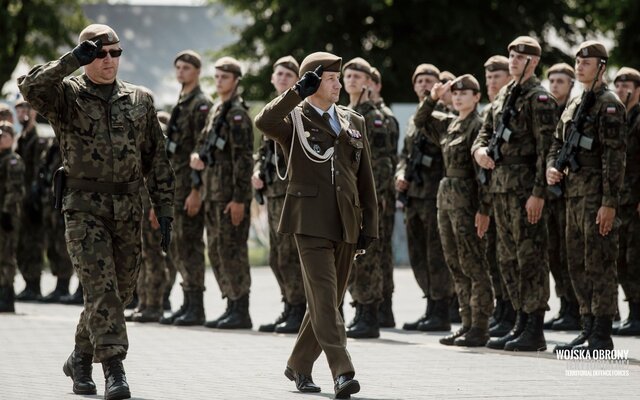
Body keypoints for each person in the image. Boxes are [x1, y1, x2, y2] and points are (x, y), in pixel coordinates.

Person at [18, 24, 175, 399]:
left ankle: (79, 359)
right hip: (84, 208)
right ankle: (114, 370)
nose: (109, 60)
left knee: (118, 292)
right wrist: (73, 60)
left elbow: (156, 158)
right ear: (87, 55)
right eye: (100, 53)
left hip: (128, 208)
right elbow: (30, 87)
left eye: (115, 53)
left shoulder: (140, 99)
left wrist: (165, 208)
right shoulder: (66, 96)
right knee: (100, 289)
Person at [255, 51, 377, 399]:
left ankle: (298, 364)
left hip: (347, 220)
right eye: (331, 79)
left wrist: (370, 224)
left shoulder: (355, 121)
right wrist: (296, 91)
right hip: (309, 220)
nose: (339, 84)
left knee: (328, 301)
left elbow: (364, 178)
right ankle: (343, 371)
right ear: (313, 81)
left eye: (340, 78)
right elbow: (263, 122)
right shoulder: (294, 119)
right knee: (325, 300)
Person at [472, 36, 556, 352]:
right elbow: (484, 132)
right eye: (510, 56)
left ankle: (534, 327)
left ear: (533, 62)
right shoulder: (504, 95)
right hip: (500, 190)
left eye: (519, 58)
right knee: (508, 259)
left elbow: (546, 149)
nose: (513, 61)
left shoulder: (540, 98)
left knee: (530, 258)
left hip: (525, 192)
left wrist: (539, 193)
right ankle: (519, 321)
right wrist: (479, 150)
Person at [548, 41, 625, 353]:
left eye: (587, 62)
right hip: (573, 195)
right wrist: (552, 168)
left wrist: (609, 203)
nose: (579, 66)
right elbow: (557, 141)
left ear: (601, 67)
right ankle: (586, 327)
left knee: (600, 264)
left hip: (596, 196)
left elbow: (614, 157)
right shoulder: (575, 103)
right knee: (577, 263)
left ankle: (601, 335)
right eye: (577, 61)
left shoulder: (609, 104)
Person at [414, 74, 494, 346]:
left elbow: (484, 175)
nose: (459, 97)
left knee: (473, 263)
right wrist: (433, 96)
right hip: (446, 199)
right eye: (456, 93)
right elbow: (420, 121)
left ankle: (480, 326)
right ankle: (466, 322)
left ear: (476, 97)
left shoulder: (479, 126)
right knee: (455, 264)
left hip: (468, 202)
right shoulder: (450, 124)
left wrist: (484, 209)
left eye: (466, 93)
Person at [190, 56, 254, 330]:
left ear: (236, 80)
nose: (219, 82)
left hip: (230, 195)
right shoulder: (217, 109)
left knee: (232, 251)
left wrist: (239, 198)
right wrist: (196, 157)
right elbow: (203, 144)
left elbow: (243, 160)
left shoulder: (238, 114)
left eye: (224, 77)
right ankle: (230, 302)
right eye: (216, 77)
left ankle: (241, 308)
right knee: (216, 251)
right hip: (213, 192)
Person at [396, 63, 455, 332]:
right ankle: (430, 304)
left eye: (429, 80)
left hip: (434, 194)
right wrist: (400, 174)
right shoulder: (412, 121)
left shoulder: (444, 115)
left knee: (436, 254)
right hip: (414, 194)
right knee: (417, 253)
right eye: (419, 80)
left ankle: (441, 309)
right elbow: (404, 155)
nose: (424, 84)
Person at [342, 57, 395, 339]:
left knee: (368, 258)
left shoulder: (371, 118)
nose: (351, 79)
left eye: (357, 76)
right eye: (347, 75)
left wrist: (374, 199)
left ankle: (369, 313)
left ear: (367, 82)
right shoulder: (345, 113)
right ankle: (360, 308)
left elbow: (383, 163)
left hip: (366, 198)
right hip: (349, 197)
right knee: (353, 257)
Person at [253, 55, 307, 334]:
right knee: (276, 256)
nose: (283, 78)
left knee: (289, 254)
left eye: (289, 75)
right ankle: (289, 304)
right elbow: (263, 154)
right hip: (274, 192)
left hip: (290, 192)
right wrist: (257, 172)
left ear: (297, 81)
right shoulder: (271, 110)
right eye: (279, 74)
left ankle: (299, 308)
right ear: (273, 79)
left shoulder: (298, 110)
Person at [159, 50, 212, 326]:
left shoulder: (202, 104)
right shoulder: (181, 102)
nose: (181, 72)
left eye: (186, 68)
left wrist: (196, 190)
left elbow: (201, 150)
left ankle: (196, 305)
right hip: (175, 184)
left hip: (189, 186)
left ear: (197, 71)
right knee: (178, 244)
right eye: (178, 67)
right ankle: (188, 301)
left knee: (190, 244)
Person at [543, 63, 581, 331]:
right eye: (552, 81)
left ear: (570, 84)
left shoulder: (577, 110)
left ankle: (577, 308)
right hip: (550, 192)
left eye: (560, 81)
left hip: (572, 193)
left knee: (571, 253)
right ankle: (565, 305)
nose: (555, 85)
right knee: (554, 252)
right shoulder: (545, 111)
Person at [481, 55, 514, 336]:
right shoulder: (492, 109)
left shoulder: (510, 105)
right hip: (493, 192)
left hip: (511, 191)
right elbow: (483, 141)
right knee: (496, 257)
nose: (492, 82)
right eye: (488, 77)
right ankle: (503, 308)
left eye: (496, 76)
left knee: (512, 256)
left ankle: (512, 313)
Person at [369, 66, 400, 327]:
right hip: (366, 194)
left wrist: (379, 195)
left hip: (380, 195)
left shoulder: (383, 117)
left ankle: (382, 306)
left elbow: (384, 161)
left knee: (380, 253)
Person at [612, 66, 640, 336]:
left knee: (635, 258)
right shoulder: (619, 118)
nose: (621, 89)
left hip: (636, 200)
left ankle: (638, 313)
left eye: (627, 85)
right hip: (621, 199)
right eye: (618, 85)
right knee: (621, 257)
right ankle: (632, 311)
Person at [14, 99, 48, 301]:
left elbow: (39, 169)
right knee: (23, 242)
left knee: (33, 241)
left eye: (27, 108)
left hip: (33, 197)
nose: (23, 113)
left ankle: (34, 284)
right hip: (20, 198)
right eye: (19, 109)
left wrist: (36, 194)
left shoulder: (38, 137)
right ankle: (28, 282)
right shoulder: (21, 137)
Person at [0, 122, 25, 313]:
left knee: (6, 256)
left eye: (4, 135)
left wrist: (7, 212)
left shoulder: (13, 161)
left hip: (7, 215)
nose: (1, 138)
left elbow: (14, 190)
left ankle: (7, 296)